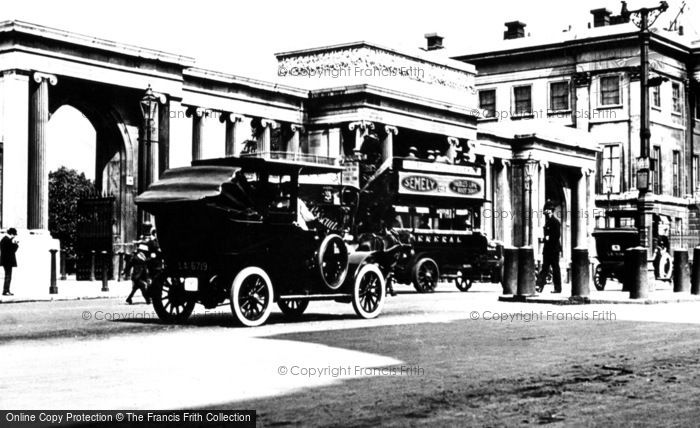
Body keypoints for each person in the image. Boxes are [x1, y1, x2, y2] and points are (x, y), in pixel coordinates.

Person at [537, 201, 562, 293]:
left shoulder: (555, 222)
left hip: (554, 249)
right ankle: (539, 286)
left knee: (555, 269)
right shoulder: (547, 223)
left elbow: (556, 236)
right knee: (545, 268)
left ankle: (558, 288)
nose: (546, 213)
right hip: (547, 250)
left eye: (547, 211)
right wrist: (544, 239)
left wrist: (548, 238)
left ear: (551, 211)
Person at [1, 228, 19, 296]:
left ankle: (6, 290)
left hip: (5, 261)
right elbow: (11, 250)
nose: (14, 236)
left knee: (8, 276)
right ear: (11, 234)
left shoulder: (4, 240)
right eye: (14, 235)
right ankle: (6, 290)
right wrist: (16, 245)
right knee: (8, 276)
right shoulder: (7, 240)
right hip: (8, 261)